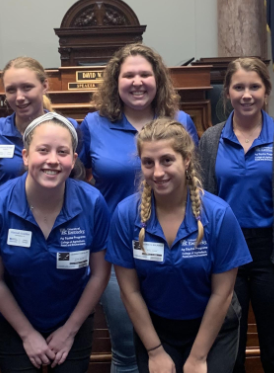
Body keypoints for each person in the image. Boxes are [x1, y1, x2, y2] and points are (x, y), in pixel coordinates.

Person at [78, 43, 199, 373]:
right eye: (128, 74)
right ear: (115, 82)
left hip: (175, 247)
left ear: (157, 79)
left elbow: (195, 183)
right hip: (118, 253)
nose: (137, 81)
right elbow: (75, 180)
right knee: (127, 351)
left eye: (145, 74)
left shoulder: (180, 121)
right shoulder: (93, 124)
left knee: (175, 346)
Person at [106, 117, 252, 373]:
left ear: (186, 159)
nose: (157, 172)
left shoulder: (218, 215)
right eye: (148, 163)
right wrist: (154, 351)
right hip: (156, 329)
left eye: (166, 160)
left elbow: (222, 293)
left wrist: (197, 358)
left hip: (213, 327)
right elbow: (130, 291)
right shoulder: (126, 215)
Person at [0, 112, 111, 372]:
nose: (52, 160)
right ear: (25, 156)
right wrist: (26, 334)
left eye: (62, 152)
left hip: (74, 319)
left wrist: (69, 331)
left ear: (74, 160)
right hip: (14, 322)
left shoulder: (93, 203)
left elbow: (100, 274)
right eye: (43, 150)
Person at [198, 57, 274, 373]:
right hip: (225, 256)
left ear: (266, 91)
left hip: (272, 255)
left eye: (254, 86)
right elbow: (200, 206)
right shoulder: (210, 140)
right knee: (226, 355)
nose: (246, 94)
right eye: (238, 87)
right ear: (227, 92)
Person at [0, 57, 79, 188]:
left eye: (27, 87)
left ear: (45, 86)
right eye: (11, 90)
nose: (19, 97)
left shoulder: (68, 127)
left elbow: (80, 176)